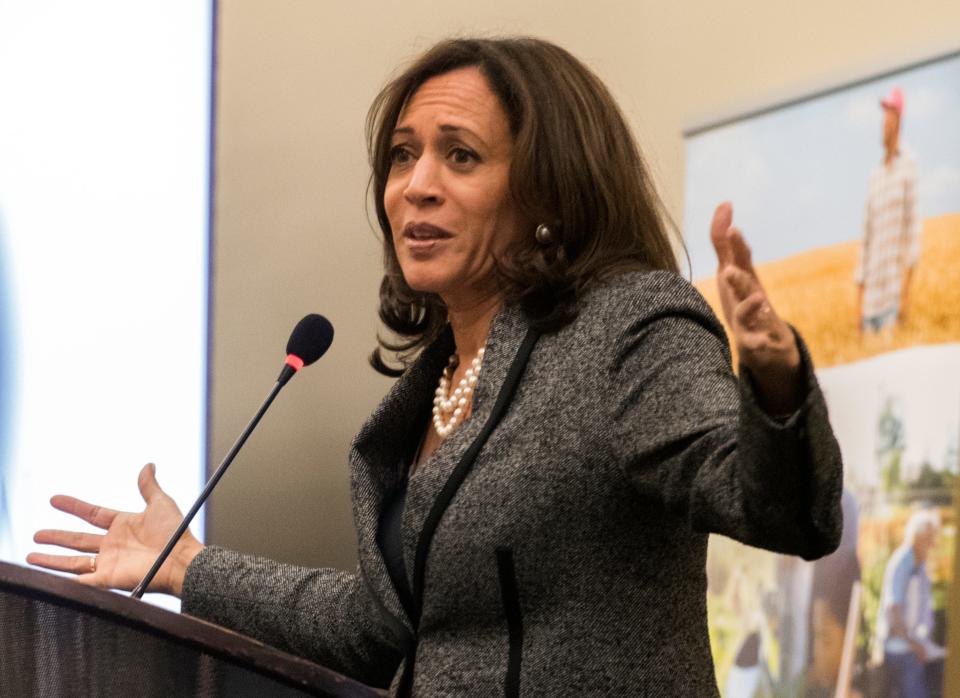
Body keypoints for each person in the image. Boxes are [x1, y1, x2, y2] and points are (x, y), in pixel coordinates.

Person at [27, 37, 843, 696]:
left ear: (549, 192)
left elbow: (782, 511)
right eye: (402, 156)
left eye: (460, 156)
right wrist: (188, 567)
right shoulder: (430, 392)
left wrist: (774, 383)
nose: (415, 186)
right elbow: (376, 632)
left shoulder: (627, 326)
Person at [855, 86, 921, 337]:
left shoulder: (909, 166)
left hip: (893, 301)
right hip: (869, 306)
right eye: (883, 116)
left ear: (899, 120)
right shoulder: (875, 175)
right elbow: (866, 241)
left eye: (890, 114)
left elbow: (913, 232)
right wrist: (858, 306)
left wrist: (905, 298)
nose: (885, 122)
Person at [877, 508, 943, 698]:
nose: (932, 545)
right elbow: (894, 614)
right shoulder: (903, 563)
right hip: (899, 648)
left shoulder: (920, 567)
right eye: (929, 539)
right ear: (917, 538)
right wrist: (915, 646)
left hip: (912, 646)